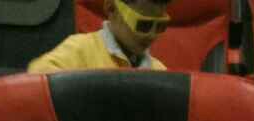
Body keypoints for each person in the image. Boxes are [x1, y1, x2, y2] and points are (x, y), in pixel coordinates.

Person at [28, 0, 171, 73]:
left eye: (160, 26)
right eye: (143, 25)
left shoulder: (159, 71)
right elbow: (37, 78)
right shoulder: (79, 50)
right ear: (111, 8)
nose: (152, 35)